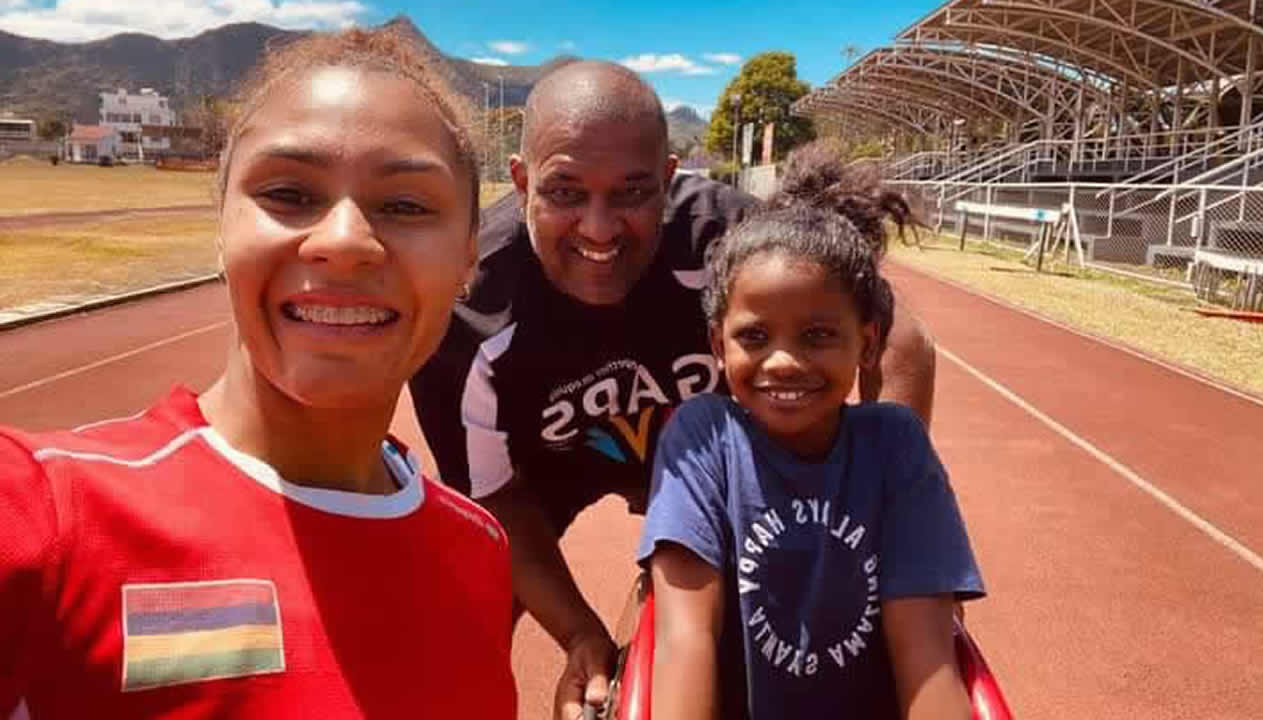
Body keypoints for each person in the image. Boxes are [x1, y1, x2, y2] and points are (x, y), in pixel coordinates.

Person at [0, 27, 515, 719]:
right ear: (222, 231)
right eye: (288, 193)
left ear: (468, 258)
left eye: (406, 206)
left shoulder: (479, 550)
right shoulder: (45, 512)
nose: (344, 242)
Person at [409, 60, 938, 719]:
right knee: (469, 605)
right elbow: (492, 497)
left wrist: (872, 507)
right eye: (565, 192)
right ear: (521, 183)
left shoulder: (726, 241)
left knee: (760, 598)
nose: (598, 228)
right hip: (541, 470)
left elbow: (897, 338)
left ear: (668, 179)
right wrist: (577, 633)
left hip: (709, 454)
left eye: (631, 193)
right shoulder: (470, 306)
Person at [637, 166, 984, 720]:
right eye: (754, 336)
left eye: (818, 335)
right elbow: (685, 640)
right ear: (718, 346)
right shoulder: (705, 438)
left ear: (867, 344)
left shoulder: (896, 448)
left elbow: (926, 659)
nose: (783, 362)